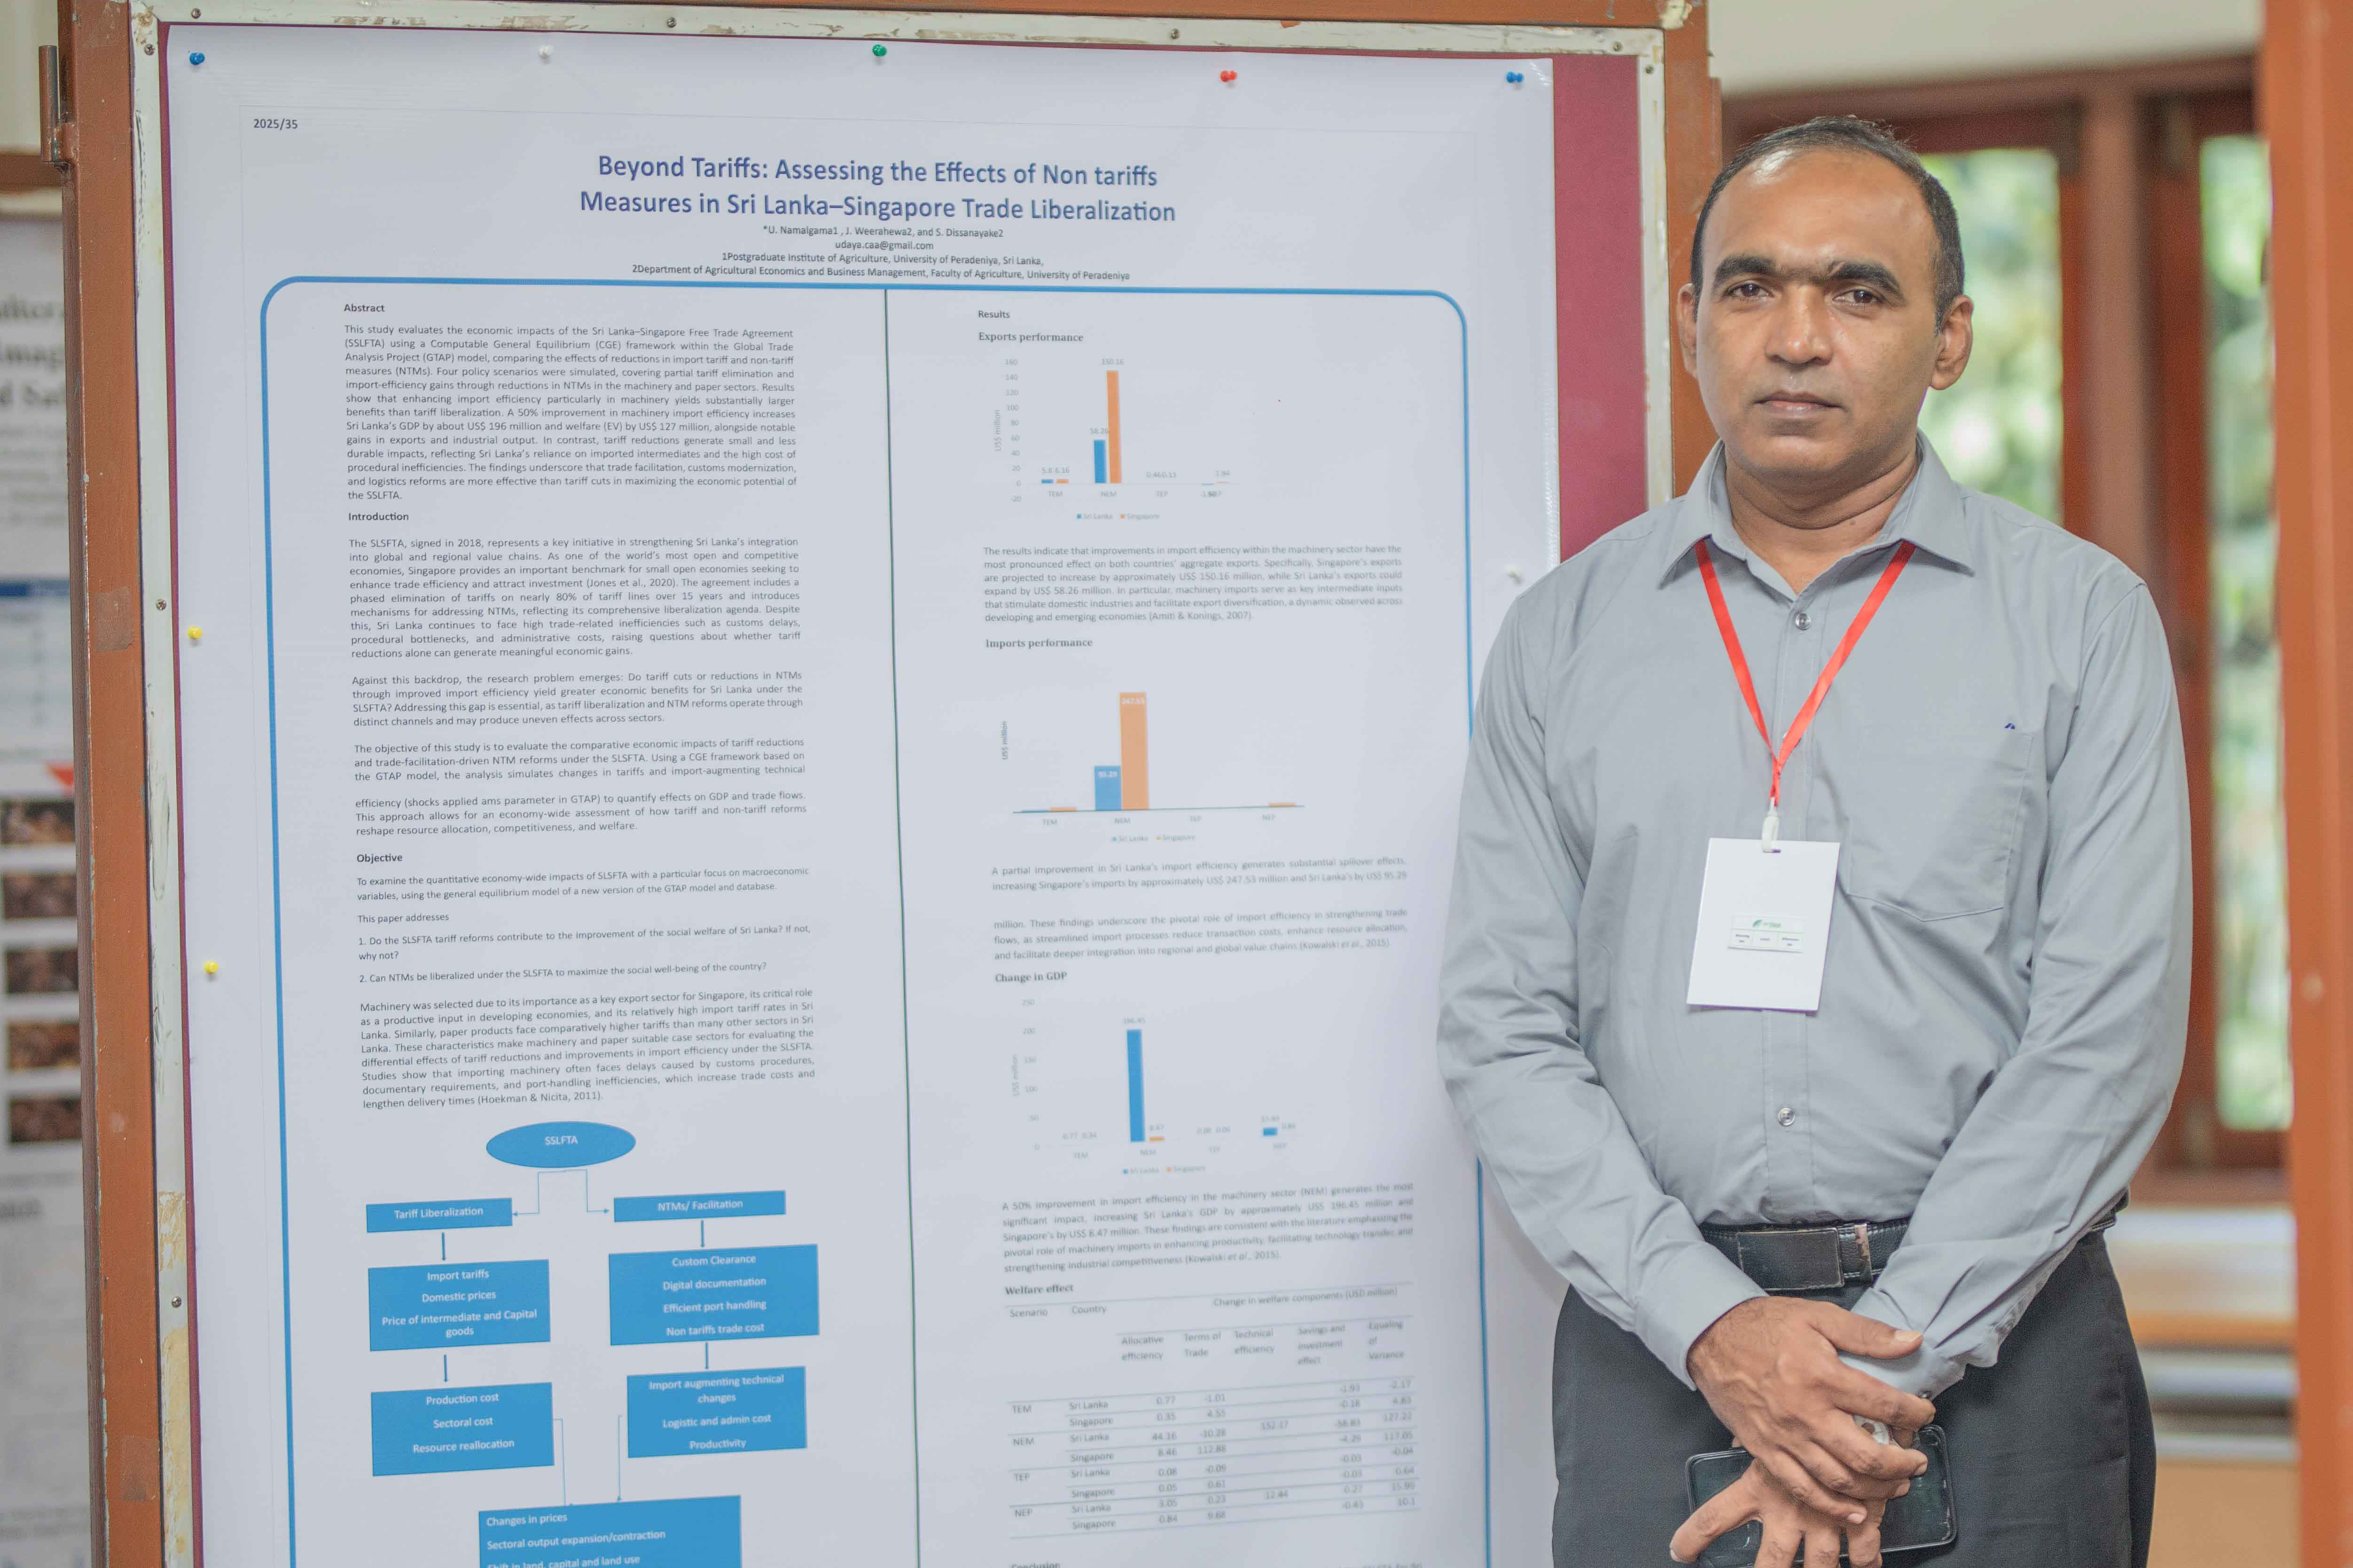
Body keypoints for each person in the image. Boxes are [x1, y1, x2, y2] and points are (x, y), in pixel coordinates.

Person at [1437, 116, 2189, 1568]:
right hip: (1666, 1340)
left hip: (2002, 1341)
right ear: (1690, 323)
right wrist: (1720, 1331)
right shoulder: (1563, 636)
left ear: (1950, 337)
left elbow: (2104, 1038)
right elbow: (1500, 1029)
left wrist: (1864, 1377)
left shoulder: (2080, 622)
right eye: (1750, 286)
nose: (1795, 336)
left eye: (1858, 291)